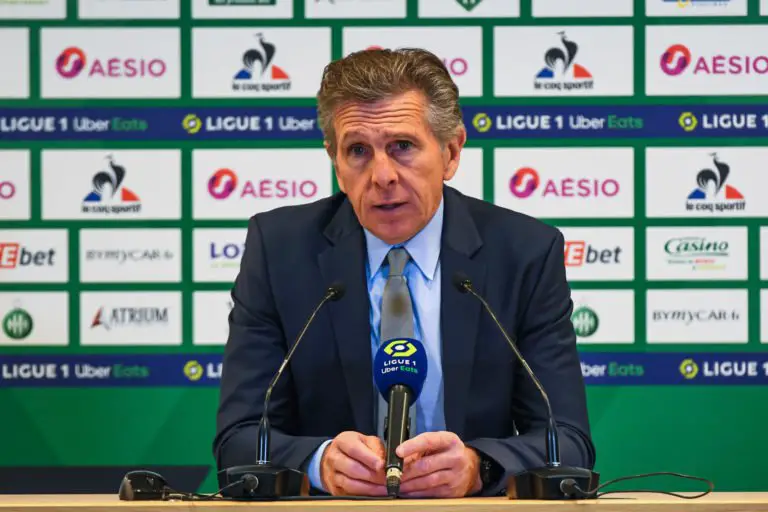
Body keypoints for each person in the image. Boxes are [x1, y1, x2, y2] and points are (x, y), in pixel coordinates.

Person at [213, 47, 596, 498]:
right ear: (335, 160)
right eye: (358, 150)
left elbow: (567, 441)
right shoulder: (280, 250)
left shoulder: (524, 252)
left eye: (403, 147)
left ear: (451, 152)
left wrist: (480, 466)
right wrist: (320, 463)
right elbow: (239, 440)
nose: (382, 176)